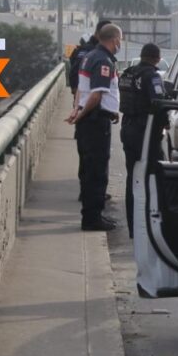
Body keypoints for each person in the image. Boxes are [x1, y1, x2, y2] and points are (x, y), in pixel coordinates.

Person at [68, 23, 122, 231]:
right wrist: (80, 114)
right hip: (94, 122)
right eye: (120, 40)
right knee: (97, 171)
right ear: (115, 40)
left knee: (90, 169)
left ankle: (93, 215)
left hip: (91, 119)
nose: (120, 44)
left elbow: (81, 89)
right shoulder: (103, 61)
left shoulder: (89, 56)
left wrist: (76, 111)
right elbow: (96, 95)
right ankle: (92, 218)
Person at [119, 43, 164, 238]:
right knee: (152, 178)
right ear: (156, 58)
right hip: (146, 132)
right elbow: (159, 102)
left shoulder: (127, 74)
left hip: (128, 127)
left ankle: (133, 227)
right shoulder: (152, 76)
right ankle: (150, 226)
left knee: (132, 177)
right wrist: (166, 123)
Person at [69, 18, 110, 201]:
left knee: (85, 154)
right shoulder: (97, 56)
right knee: (95, 159)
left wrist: (77, 106)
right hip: (92, 112)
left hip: (81, 105)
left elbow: (75, 82)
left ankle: (86, 192)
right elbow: (95, 92)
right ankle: (91, 197)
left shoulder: (83, 52)